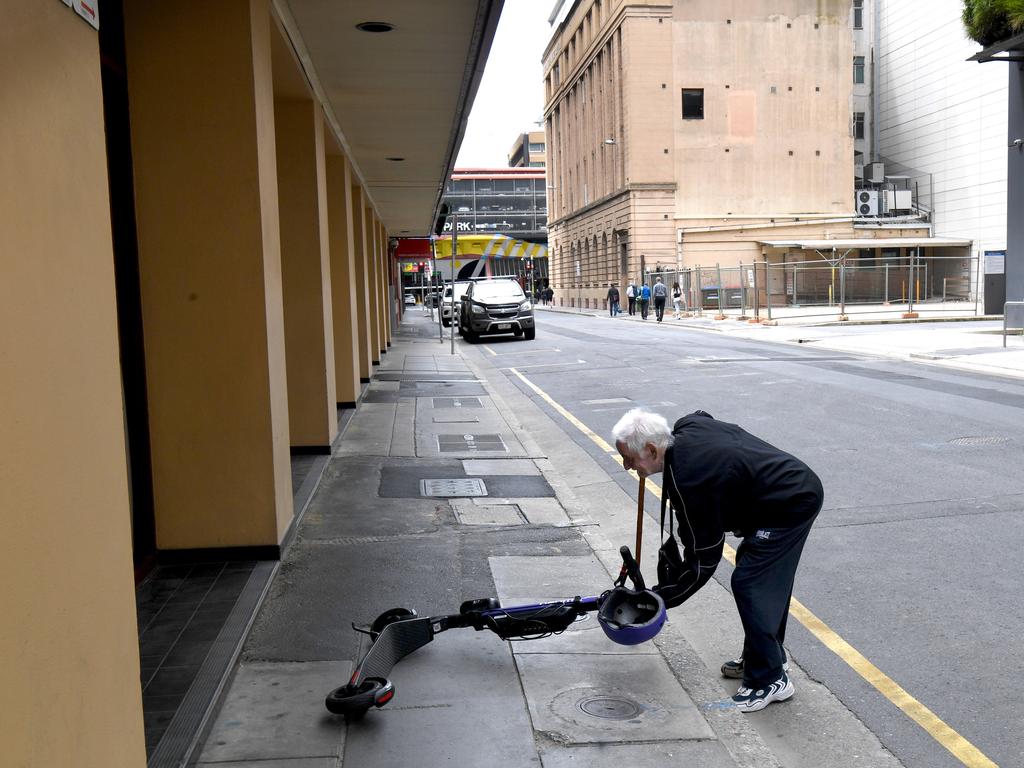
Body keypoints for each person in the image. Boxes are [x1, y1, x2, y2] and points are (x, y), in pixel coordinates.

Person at [611, 408, 823, 713]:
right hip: (782, 491)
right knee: (761, 576)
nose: (627, 466)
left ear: (652, 449)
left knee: (751, 582)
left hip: (791, 503)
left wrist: (656, 600)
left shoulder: (691, 477)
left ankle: (770, 680)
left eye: (629, 458)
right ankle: (765, 655)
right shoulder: (684, 431)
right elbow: (701, 415)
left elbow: (704, 559)